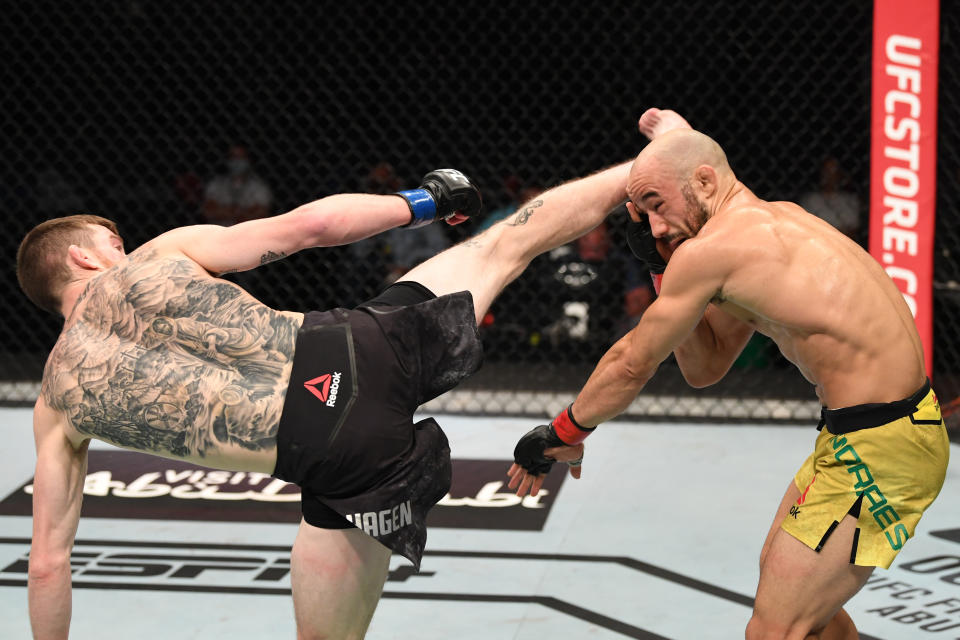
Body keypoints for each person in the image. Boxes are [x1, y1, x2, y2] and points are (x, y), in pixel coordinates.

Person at [17, 143, 640, 637]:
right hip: (357, 350)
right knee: (508, 242)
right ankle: (643, 170)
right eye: (112, 242)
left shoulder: (57, 403)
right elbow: (309, 226)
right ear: (80, 258)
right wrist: (424, 201)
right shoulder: (156, 256)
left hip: (338, 452)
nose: (123, 247)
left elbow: (46, 562)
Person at [508, 108, 950, 640]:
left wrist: (564, 431)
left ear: (704, 181)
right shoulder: (761, 227)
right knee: (810, 614)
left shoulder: (716, 250)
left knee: (774, 629)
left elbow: (632, 360)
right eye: (643, 216)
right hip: (866, 435)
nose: (656, 227)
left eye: (656, 206)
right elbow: (706, 365)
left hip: (883, 447)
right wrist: (661, 262)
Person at [201, 144, 273, 225]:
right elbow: (208, 212)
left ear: (248, 159)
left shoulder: (259, 186)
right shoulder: (216, 184)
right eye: (233, 156)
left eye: (241, 157)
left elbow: (261, 214)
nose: (237, 161)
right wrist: (244, 212)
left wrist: (225, 211)